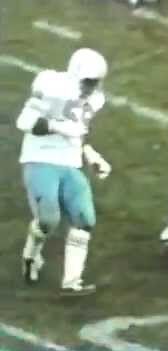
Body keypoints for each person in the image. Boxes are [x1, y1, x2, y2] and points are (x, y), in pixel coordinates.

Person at [16, 48, 112, 296]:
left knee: (85, 219)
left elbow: (79, 133)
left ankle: (71, 282)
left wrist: (92, 156)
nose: (92, 87)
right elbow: (24, 122)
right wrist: (58, 128)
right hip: (40, 157)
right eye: (89, 81)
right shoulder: (51, 85)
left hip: (70, 162)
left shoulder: (95, 99)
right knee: (48, 220)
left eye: (96, 82)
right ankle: (31, 255)